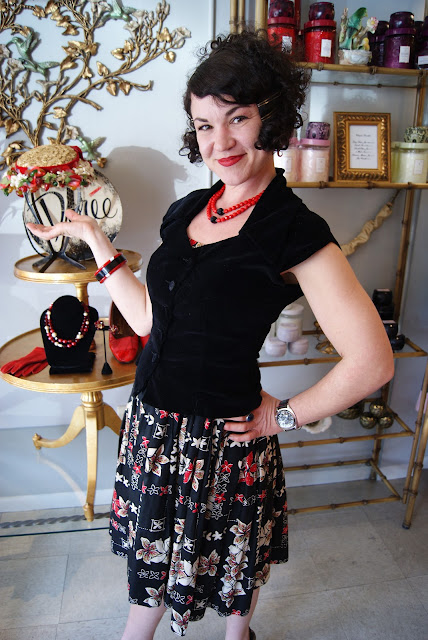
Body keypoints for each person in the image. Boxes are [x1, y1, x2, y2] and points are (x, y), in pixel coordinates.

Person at [27, 30, 394, 640]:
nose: (219, 143)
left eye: (237, 118)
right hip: (153, 426)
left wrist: (285, 416)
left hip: (220, 439)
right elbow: (151, 321)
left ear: (272, 119)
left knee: (232, 562)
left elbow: (373, 361)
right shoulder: (190, 208)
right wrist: (97, 243)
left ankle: (236, 636)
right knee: (152, 564)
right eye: (203, 125)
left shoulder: (294, 231)